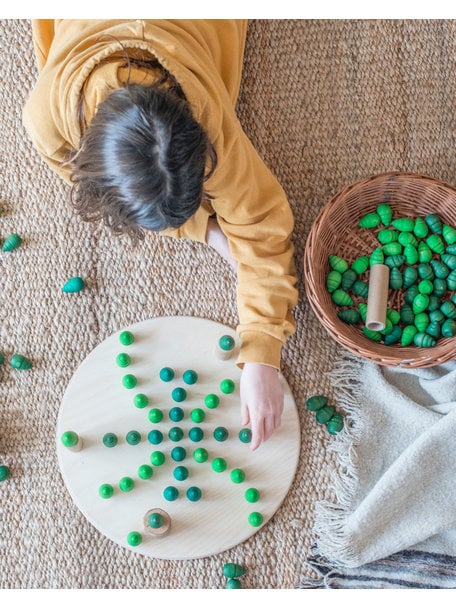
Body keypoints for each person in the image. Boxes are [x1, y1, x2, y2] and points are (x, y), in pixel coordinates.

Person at [22, 19, 298, 450]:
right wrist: (206, 229)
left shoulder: (211, 126)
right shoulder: (48, 121)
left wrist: (262, 351)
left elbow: (262, 225)